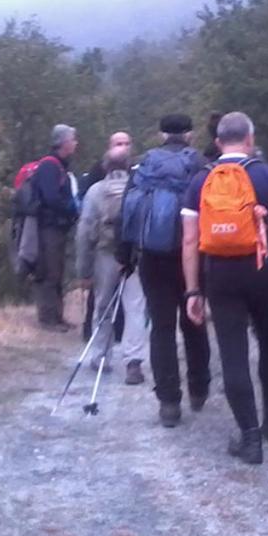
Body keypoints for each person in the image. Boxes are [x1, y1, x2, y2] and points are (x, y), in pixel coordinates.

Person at [182, 112, 268, 464]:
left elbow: (190, 241)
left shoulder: (200, 181)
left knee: (233, 354)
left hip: (220, 274)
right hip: (265, 268)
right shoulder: (267, 175)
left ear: (219, 142)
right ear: (249, 139)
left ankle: (250, 439)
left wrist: (193, 290)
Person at [126, 114, 211, 424]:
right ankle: (199, 388)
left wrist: (127, 256)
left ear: (162, 134)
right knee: (195, 321)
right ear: (189, 134)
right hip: (195, 254)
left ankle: (169, 403)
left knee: (161, 327)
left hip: (153, 256)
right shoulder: (201, 164)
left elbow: (129, 210)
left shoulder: (144, 165)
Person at [77, 147, 146, 384]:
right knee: (135, 307)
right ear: (129, 165)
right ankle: (133, 361)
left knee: (103, 306)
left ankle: (101, 357)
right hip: (135, 255)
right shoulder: (140, 188)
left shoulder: (95, 192)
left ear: (105, 167)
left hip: (105, 254)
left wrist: (84, 270)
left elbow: (85, 231)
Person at [30, 124, 80, 331]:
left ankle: (57, 316)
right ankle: (48, 319)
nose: (76, 143)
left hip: (57, 227)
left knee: (57, 271)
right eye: (73, 139)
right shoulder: (50, 166)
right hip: (48, 227)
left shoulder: (58, 165)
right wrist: (71, 209)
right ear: (63, 143)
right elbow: (51, 198)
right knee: (49, 272)